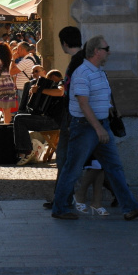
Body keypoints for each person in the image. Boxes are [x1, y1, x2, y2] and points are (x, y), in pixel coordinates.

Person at [51, 35, 138, 221]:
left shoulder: (98, 71)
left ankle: (130, 207)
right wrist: (98, 129)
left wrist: (109, 115)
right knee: (72, 169)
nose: (109, 52)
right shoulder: (82, 73)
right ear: (97, 52)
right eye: (106, 48)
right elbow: (83, 104)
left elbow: (100, 99)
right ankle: (60, 208)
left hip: (99, 125)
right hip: (85, 127)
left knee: (114, 167)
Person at [43, 26, 85, 210]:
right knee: (102, 160)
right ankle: (61, 199)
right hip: (78, 116)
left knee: (65, 159)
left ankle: (61, 201)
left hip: (74, 116)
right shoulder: (82, 60)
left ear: (64, 43)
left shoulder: (77, 62)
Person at [14, 67, 65, 166]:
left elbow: (60, 92)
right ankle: (24, 151)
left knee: (19, 119)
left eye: (50, 81)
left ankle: (26, 152)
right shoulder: (54, 85)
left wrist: (40, 90)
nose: (49, 84)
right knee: (20, 117)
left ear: (54, 77)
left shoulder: (61, 82)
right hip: (51, 119)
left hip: (54, 121)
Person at [0, 42, 17, 124]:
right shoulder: (9, 60)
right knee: (7, 111)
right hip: (9, 84)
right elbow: (13, 74)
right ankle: (6, 129)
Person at [9, 41, 37, 106]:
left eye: (18, 49)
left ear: (22, 49)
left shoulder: (26, 61)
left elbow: (11, 72)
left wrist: (13, 59)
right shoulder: (30, 58)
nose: (17, 52)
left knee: (23, 111)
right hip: (24, 89)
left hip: (24, 90)